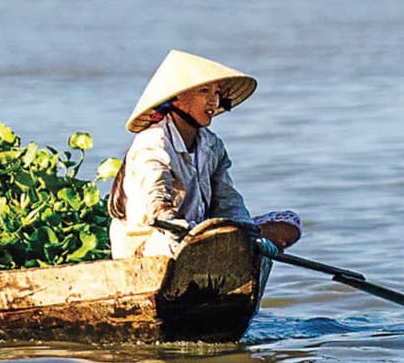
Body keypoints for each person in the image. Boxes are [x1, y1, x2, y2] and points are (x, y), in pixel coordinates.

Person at [107, 50, 301, 259]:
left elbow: (227, 200)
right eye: (204, 91)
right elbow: (157, 201)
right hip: (153, 240)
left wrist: (247, 233)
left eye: (217, 93)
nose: (214, 101)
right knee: (173, 243)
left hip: (200, 234)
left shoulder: (211, 145)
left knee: (289, 222)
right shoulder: (154, 142)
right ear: (177, 98)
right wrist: (181, 226)